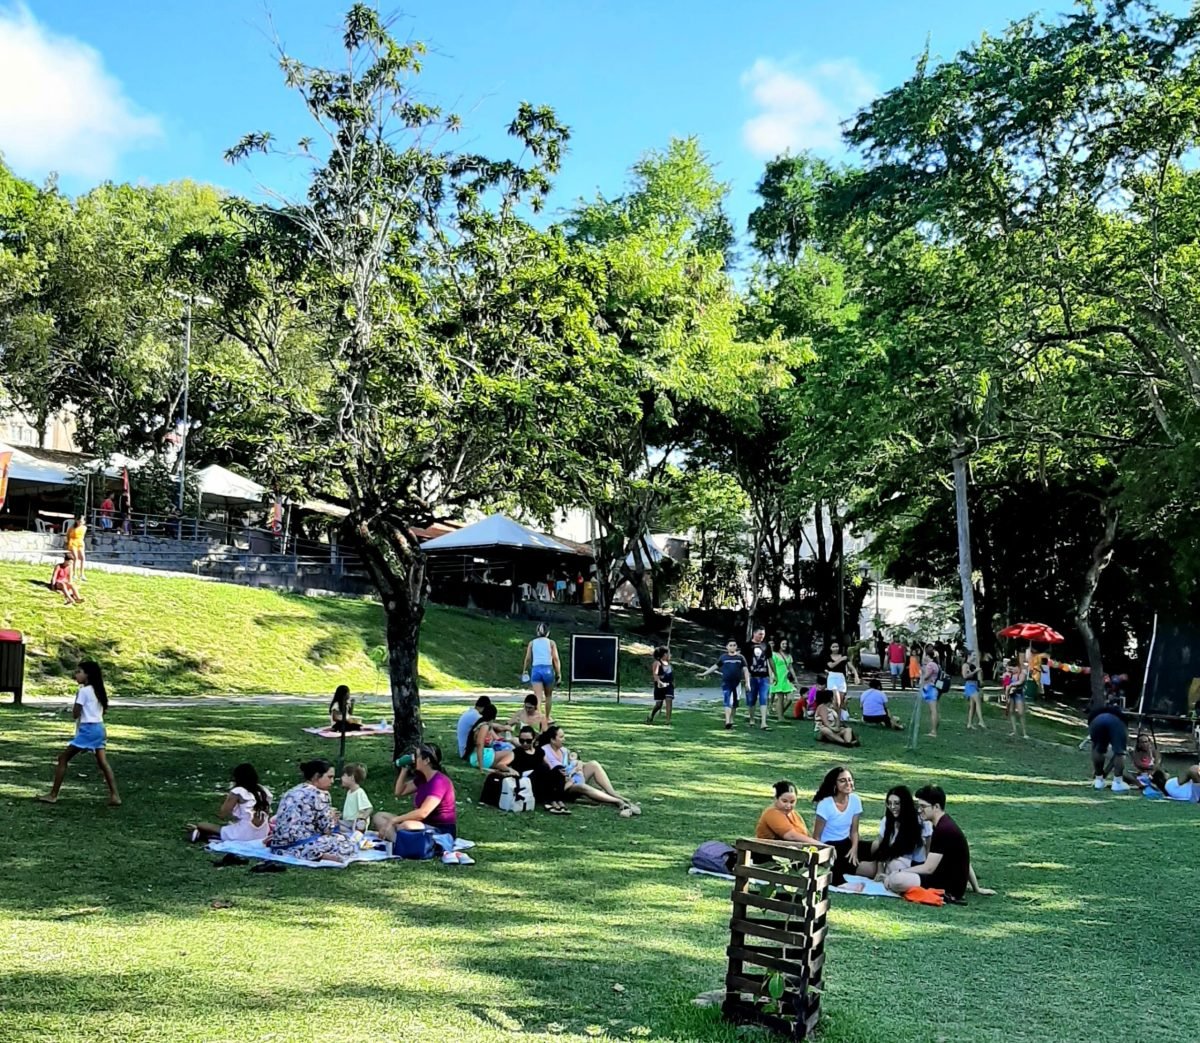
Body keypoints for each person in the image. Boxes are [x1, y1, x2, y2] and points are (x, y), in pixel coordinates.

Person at [884, 785, 996, 901]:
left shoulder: (943, 830)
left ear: (936, 806)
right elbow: (965, 860)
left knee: (897, 879)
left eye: (923, 806)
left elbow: (928, 868)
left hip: (946, 886)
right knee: (895, 867)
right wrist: (976, 888)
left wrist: (898, 873)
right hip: (942, 878)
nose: (919, 810)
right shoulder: (943, 824)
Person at [37, 660, 120, 806]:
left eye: (79, 672)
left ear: (87, 675)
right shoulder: (99, 690)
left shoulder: (83, 691)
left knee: (63, 758)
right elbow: (102, 711)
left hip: (88, 730)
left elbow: (76, 714)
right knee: (103, 762)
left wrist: (74, 707)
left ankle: (53, 795)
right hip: (100, 728)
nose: (76, 675)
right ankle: (115, 795)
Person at [269, 759, 357, 863]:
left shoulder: (292, 791)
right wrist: (333, 819)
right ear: (316, 776)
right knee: (346, 841)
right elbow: (327, 830)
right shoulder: (320, 794)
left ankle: (310, 853)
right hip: (301, 843)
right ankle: (317, 854)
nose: (332, 781)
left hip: (278, 845)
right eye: (329, 777)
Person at [539, 725, 638, 815]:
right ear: (552, 739)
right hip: (561, 786)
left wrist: (580, 764)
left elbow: (575, 761)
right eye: (561, 737)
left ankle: (613, 793)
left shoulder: (564, 750)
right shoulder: (544, 751)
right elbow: (551, 773)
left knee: (593, 764)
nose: (564, 739)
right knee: (582, 786)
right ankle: (617, 801)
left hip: (573, 777)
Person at [374, 742, 458, 839]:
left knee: (406, 826)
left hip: (440, 829)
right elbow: (399, 792)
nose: (413, 759)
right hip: (421, 824)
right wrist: (404, 770)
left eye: (416, 756)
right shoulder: (422, 778)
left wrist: (394, 820)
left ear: (426, 760)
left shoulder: (439, 782)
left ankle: (397, 840)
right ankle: (398, 840)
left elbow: (423, 812)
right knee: (379, 816)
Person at [186, 763, 272, 843]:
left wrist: (227, 799)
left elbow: (223, 814)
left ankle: (204, 835)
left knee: (202, 825)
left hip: (244, 833)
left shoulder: (238, 791)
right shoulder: (264, 790)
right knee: (231, 827)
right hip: (262, 833)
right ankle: (207, 835)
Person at [856, 785, 929, 879]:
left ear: (905, 803)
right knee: (875, 846)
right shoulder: (887, 820)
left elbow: (928, 851)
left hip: (909, 864)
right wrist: (880, 870)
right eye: (889, 803)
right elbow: (882, 847)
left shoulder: (922, 822)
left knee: (895, 866)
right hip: (888, 858)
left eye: (896, 803)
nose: (892, 807)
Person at [812, 766, 864, 885]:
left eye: (850, 779)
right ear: (834, 784)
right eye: (842, 780)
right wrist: (823, 855)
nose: (848, 783)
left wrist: (854, 848)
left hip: (847, 843)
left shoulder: (855, 800)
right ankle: (841, 882)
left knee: (875, 848)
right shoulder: (825, 804)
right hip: (829, 846)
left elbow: (854, 831)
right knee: (836, 869)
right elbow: (816, 837)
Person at [510, 724, 569, 814]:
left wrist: (558, 771)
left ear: (533, 740)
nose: (525, 743)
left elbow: (550, 766)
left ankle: (558, 800)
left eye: (528, 741)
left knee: (558, 769)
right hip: (526, 781)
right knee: (542, 768)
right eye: (522, 740)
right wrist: (510, 769)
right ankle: (548, 801)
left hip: (539, 779)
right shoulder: (516, 752)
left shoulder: (539, 751)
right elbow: (501, 764)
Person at [700, 640, 750, 730]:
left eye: (734, 645)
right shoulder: (723, 657)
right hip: (726, 683)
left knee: (734, 703)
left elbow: (746, 670)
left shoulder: (740, 658)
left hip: (737, 683)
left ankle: (731, 720)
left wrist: (747, 683)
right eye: (730, 645)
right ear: (727, 647)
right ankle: (727, 721)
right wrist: (704, 673)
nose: (732, 647)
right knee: (727, 701)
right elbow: (715, 667)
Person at [756, 780, 822, 844]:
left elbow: (805, 835)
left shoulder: (794, 814)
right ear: (776, 799)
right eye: (784, 801)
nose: (788, 805)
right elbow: (791, 836)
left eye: (792, 802)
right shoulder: (772, 813)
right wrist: (818, 844)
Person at [1088, 702, 1130, 793]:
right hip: (1115, 722)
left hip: (1095, 721)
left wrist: (1101, 773)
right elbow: (1119, 752)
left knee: (1097, 748)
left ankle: (1098, 781)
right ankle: (1117, 783)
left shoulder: (1098, 714)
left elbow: (1094, 748)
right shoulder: (1120, 719)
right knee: (1120, 752)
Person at [522, 623, 561, 720]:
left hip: (536, 670)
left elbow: (528, 658)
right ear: (548, 632)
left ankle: (539, 717)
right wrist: (558, 673)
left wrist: (525, 670)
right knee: (548, 696)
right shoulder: (551, 643)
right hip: (548, 669)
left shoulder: (532, 643)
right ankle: (547, 717)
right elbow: (555, 659)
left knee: (538, 696)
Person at [467, 703, 515, 775]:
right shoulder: (484, 726)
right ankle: (502, 766)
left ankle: (502, 767)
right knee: (511, 753)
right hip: (481, 758)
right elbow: (480, 744)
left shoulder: (482, 723)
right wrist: (481, 767)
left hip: (482, 756)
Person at [745, 627, 775, 731]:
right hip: (752, 676)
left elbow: (770, 660)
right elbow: (744, 663)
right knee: (751, 699)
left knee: (763, 698)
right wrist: (746, 678)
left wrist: (775, 674)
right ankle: (752, 719)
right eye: (760, 634)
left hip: (764, 677)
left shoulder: (766, 646)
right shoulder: (747, 645)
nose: (761, 636)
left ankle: (763, 722)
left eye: (763, 634)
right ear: (754, 633)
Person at [340, 762, 373, 832]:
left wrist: (362, 820)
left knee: (334, 826)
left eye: (344, 775)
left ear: (352, 777)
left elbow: (369, 808)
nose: (341, 778)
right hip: (348, 822)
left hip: (354, 824)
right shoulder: (349, 792)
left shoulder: (359, 792)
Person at [769, 638, 796, 721]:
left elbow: (791, 668)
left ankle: (780, 713)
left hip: (787, 678)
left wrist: (795, 678)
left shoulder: (789, 655)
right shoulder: (774, 654)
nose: (785, 645)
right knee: (780, 699)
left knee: (790, 699)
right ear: (779, 644)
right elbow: (771, 667)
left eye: (786, 644)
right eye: (783, 643)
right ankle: (780, 717)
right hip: (778, 677)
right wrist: (772, 677)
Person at [646, 645, 675, 725]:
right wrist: (659, 682)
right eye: (669, 653)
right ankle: (651, 715)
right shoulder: (657, 663)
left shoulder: (669, 664)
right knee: (659, 705)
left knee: (669, 700)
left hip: (669, 686)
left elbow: (670, 675)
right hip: (660, 686)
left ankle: (668, 720)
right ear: (664, 654)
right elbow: (655, 674)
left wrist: (673, 682)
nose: (670, 655)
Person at [920, 648, 941, 739]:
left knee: (933, 710)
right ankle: (934, 729)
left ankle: (934, 731)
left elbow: (926, 677)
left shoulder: (930, 665)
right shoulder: (936, 665)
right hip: (935, 688)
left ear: (928, 656)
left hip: (930, 688)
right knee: (935, 710)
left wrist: (922, 673)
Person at [826, 641, 850, 719]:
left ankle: (838, 717)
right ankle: (834, 717)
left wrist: (856, 674)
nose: (836, 648)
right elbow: (831, 666)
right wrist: (841, 659)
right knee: (836, 699)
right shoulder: (828, 657)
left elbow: (849, 665)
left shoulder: (843, 656)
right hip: (832, 676)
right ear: (830, 648)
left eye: (837, 646)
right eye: (833, 647)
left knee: (841, 699)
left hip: (841, 677)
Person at [1009, 657, 1031, 739]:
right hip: (1011, 695)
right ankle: (1014, 730)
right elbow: (1006, 681)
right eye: (1011, 668)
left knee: (1021, 713)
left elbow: (1020, 681)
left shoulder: (1022, 673)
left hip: (1018, 694)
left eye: (1014, 667)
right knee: (1011, 711)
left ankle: (1024, 732)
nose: (1013, 669)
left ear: (1018, 666)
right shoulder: (1011, 674)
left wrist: (1011, 685)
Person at [963, 652, 985, 730]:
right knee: (978, 701)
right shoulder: (965, 665)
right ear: (969, 656)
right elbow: (965, 676)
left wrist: (980, 674)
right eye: (974, 655)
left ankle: (969, 723)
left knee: (973, 706)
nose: (975, 657)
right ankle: (981, 720)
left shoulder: (973, 665)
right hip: (969, 685)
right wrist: (975, 671)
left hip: (975, 685)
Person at [64, 515, 87, 582]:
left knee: (82, 558)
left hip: (80, 542)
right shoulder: (72, 528)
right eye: (79, 521)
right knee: (75, 558)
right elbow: (68, 535)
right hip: (73, 542)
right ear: (76, 521)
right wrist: (68, 542)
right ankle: (74, 574)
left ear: (84, 522)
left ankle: (82, 574)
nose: (80, 522)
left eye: (81, 521)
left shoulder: (84, 528)